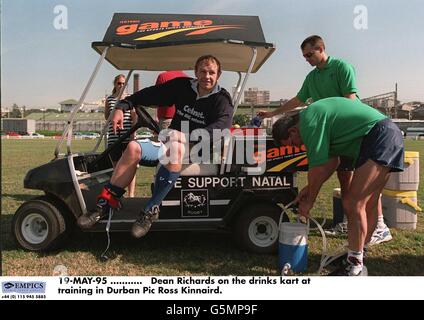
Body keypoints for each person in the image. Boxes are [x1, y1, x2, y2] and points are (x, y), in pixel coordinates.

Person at [77, 55, 234, 238]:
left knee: (176, 149)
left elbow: (222, 127)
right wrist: (122, 106)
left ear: (219, 74)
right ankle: (105, 203)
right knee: (133, 147)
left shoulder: (222, 98)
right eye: (203, 71)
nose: (207, 76)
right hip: (170, 141)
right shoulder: (183, 86)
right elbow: (150, 94)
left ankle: (150, 210)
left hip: (197, 148)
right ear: (196, 72)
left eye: (212, 72)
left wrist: (187, 137)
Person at [258, 35, 392, 244]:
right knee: (345, 179)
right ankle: (350, 222)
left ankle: (379, 225)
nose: (307, 59)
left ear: (321, 48)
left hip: (349, 131)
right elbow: (297, 100)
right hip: (327, 133)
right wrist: (273, 113)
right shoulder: (312, 78)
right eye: (304, 57)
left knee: (363, 181)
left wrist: (310, 196)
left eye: (310, 54)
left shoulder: (342, 67)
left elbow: (349, 102)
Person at [272, 97, 404, 276]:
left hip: (379, 136)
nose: (300, 147)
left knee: (353, 203)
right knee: (370, 203)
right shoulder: (313, 118)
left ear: (293, 130)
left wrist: (309, 200)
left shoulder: (308, 122)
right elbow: (331, 162)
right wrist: (309, 189)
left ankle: (355, 265)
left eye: (295, 143)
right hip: (384, 134)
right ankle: (357, 256)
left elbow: (317, 168)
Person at [105, 74, 137, 197]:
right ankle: (117, 193)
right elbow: (107, 117)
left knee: (131, 165)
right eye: (119, 83)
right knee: (116, 165)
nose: (121, 86)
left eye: (124, 84)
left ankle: (131, 194)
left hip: (128, 135)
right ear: (115, 84)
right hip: (114, 136)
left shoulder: (130, 99)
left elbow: (134, 118)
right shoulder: (109, 99)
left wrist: (133, 134)